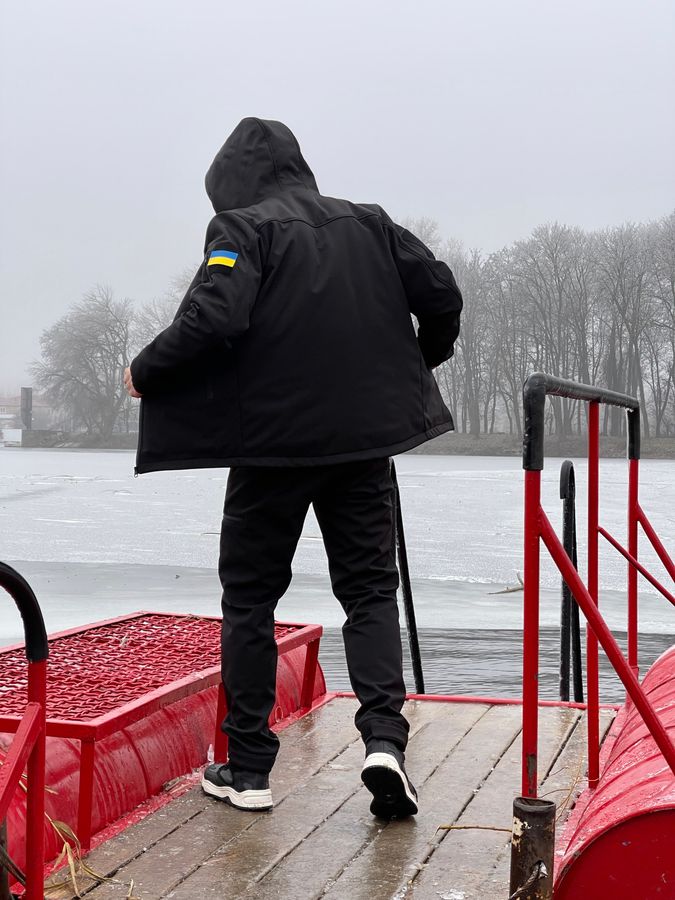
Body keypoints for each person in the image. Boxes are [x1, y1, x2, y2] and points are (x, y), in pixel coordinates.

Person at [124, 117, 462, 819]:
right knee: (368, 592)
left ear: (231, 185)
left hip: (271, 449)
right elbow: (441, 295)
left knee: (251, 601)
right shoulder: (369, 224)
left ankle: (247, 769)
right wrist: (413, 362)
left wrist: (143, 371)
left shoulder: (241, 231)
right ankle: (384, 745)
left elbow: (215, 317)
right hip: (361, 447)